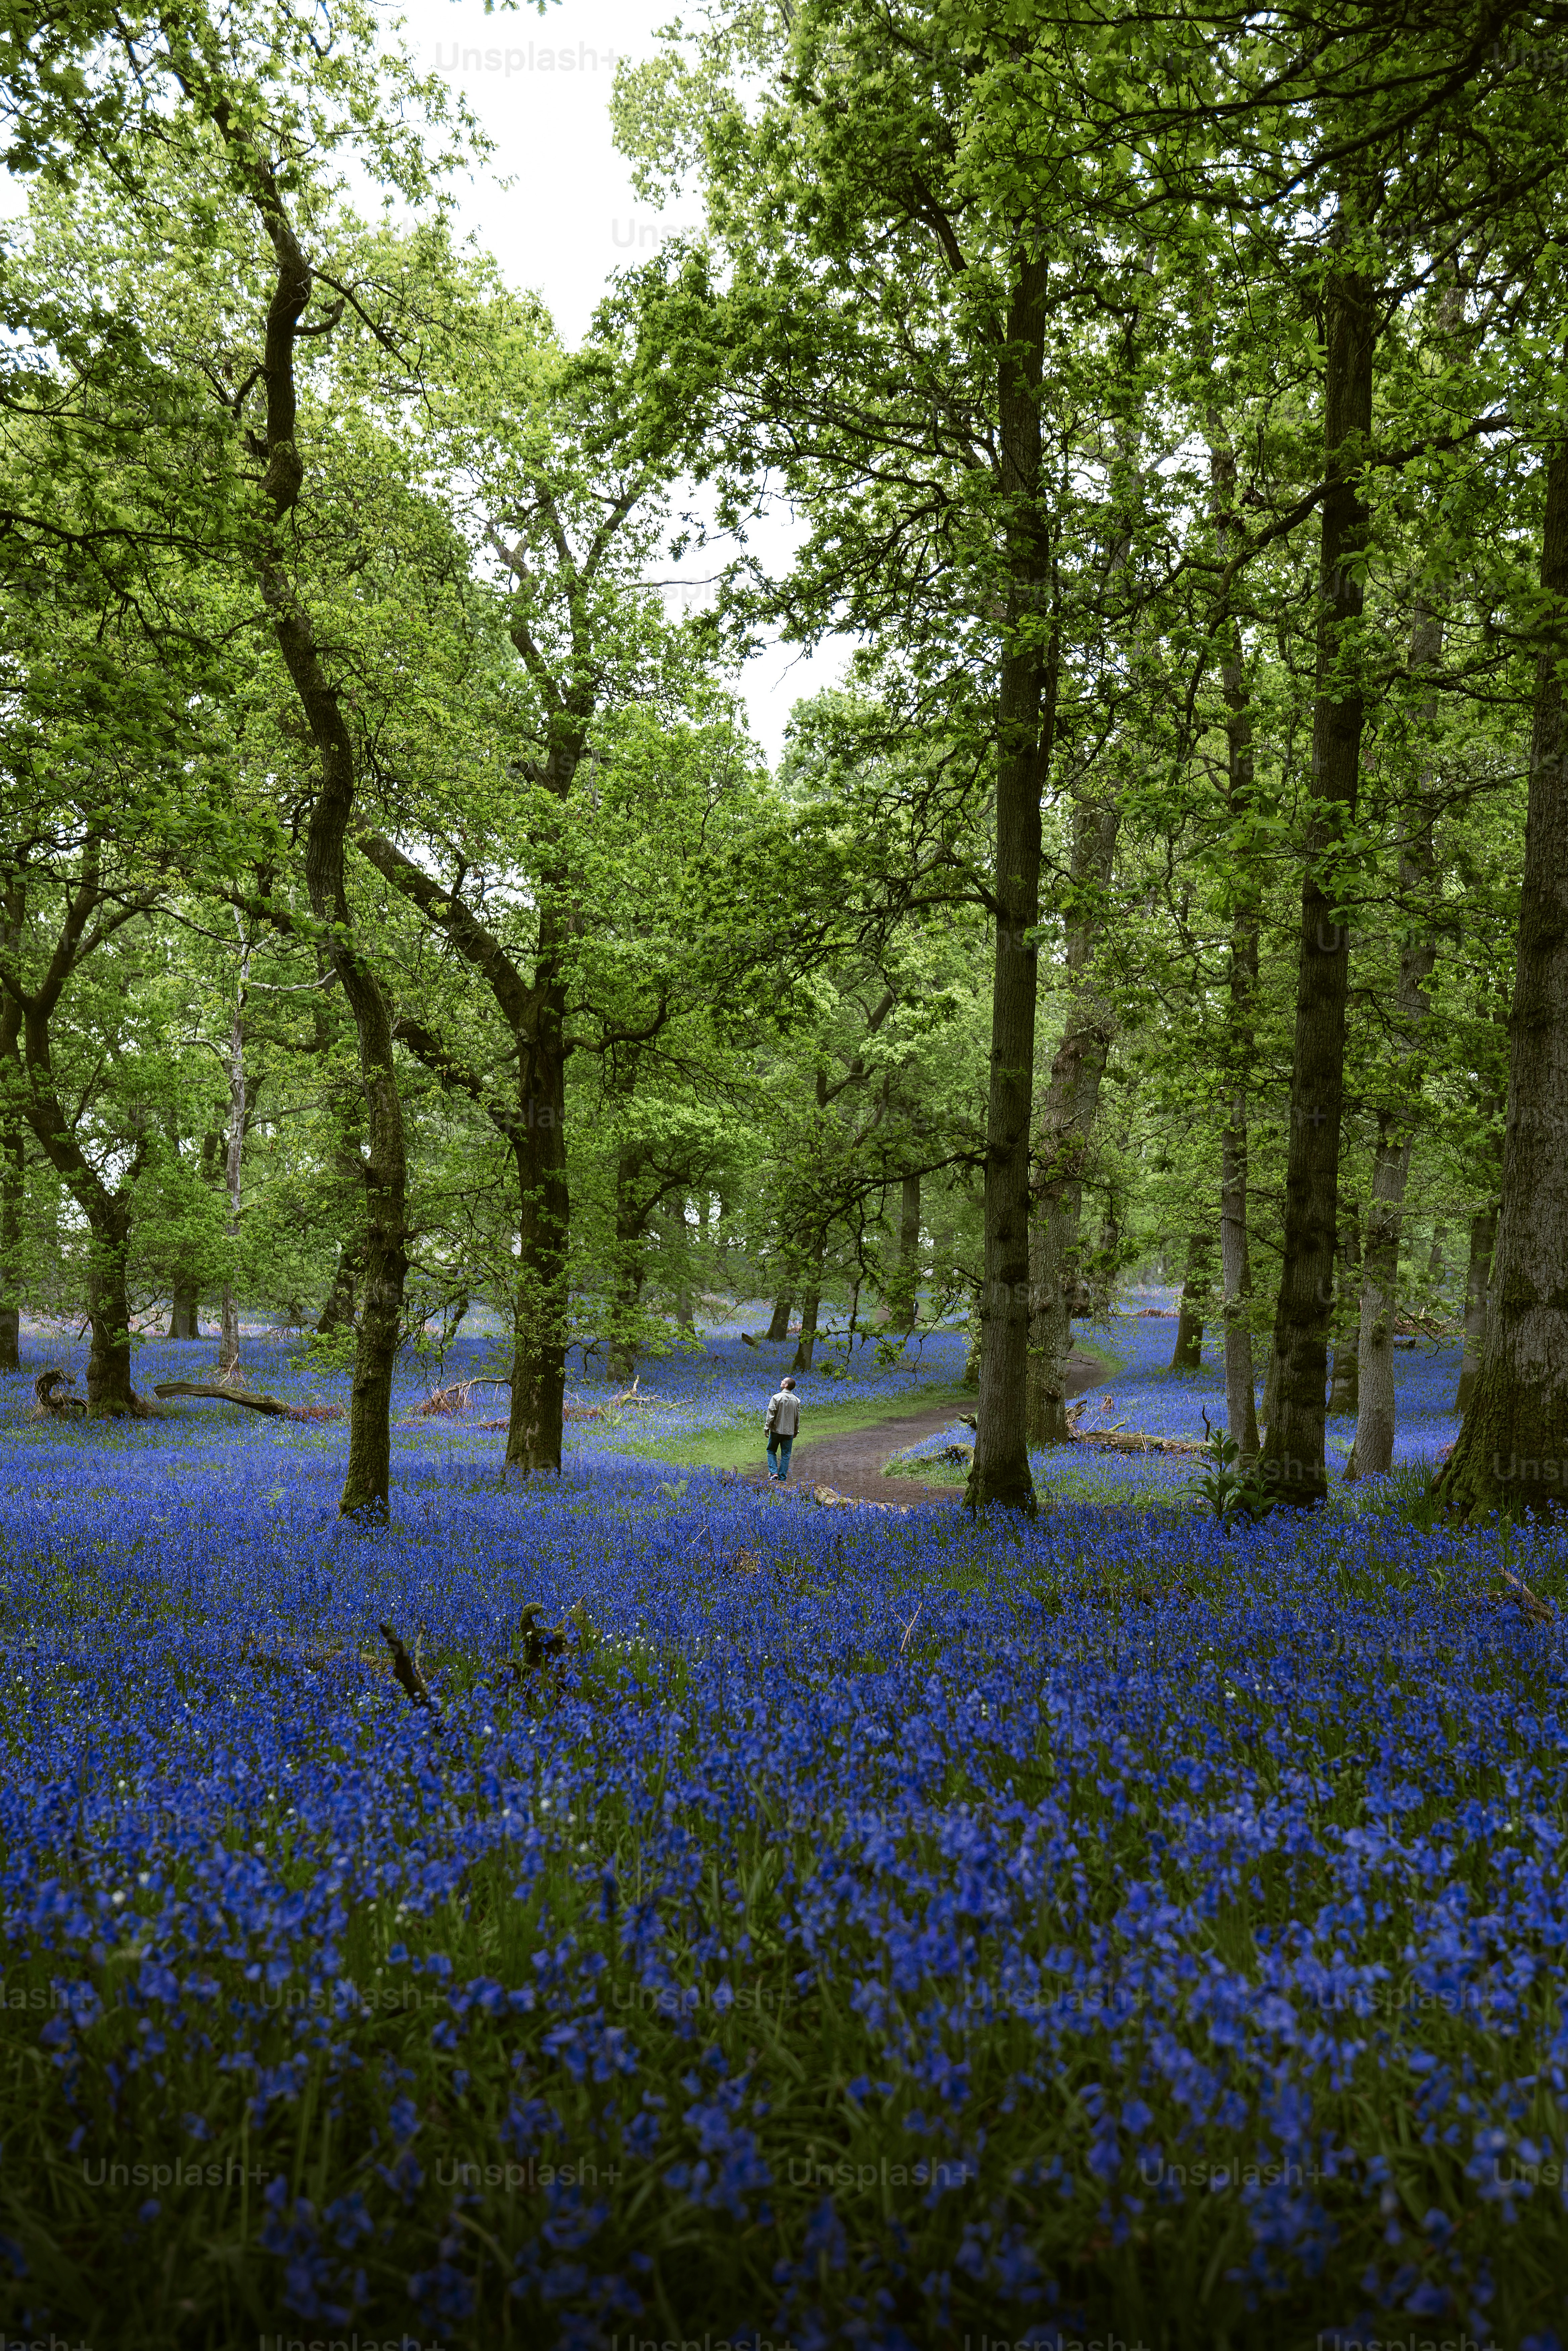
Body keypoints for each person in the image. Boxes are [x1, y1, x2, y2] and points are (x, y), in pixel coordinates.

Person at [764, 1375, 800, 1482]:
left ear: (786, 1385)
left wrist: (767, 1428)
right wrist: (796, 1431)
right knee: (786, 1455)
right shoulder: (797, 1400)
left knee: (771, 1451)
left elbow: (771, 1415)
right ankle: (783, 1478)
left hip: (776, 1431)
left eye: (783, 1381)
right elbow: (797, 1418)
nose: (781, 1382)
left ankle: (774, 1473)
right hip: (789, 1432)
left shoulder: (776, 1398)